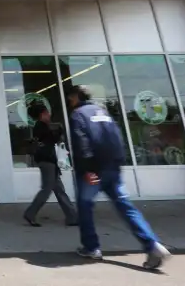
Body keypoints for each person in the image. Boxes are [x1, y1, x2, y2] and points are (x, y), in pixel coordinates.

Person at [67, 85, 171, 270]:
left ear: (77, 97)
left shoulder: (78, 114)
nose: (69, 100)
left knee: (85, 206)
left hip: (94, 170)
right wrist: (117, 163)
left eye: (71, 97)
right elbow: (118, 138)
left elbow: (81, 143)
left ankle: (91, 247)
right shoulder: (104, 113)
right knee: (126, 206)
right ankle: (152, 245)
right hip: (113, 169)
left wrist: (89, 170)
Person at [23, 104, 78, 227]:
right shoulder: (41, 126)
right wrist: (58, 132)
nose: (49, 115)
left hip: (49, 161)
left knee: (59, 190)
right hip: (47, 161)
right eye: (47, 113)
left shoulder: (40, 127)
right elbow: (52, 140)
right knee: (47, 190)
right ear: (42, 114)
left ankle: (72, 217)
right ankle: (30, 213)